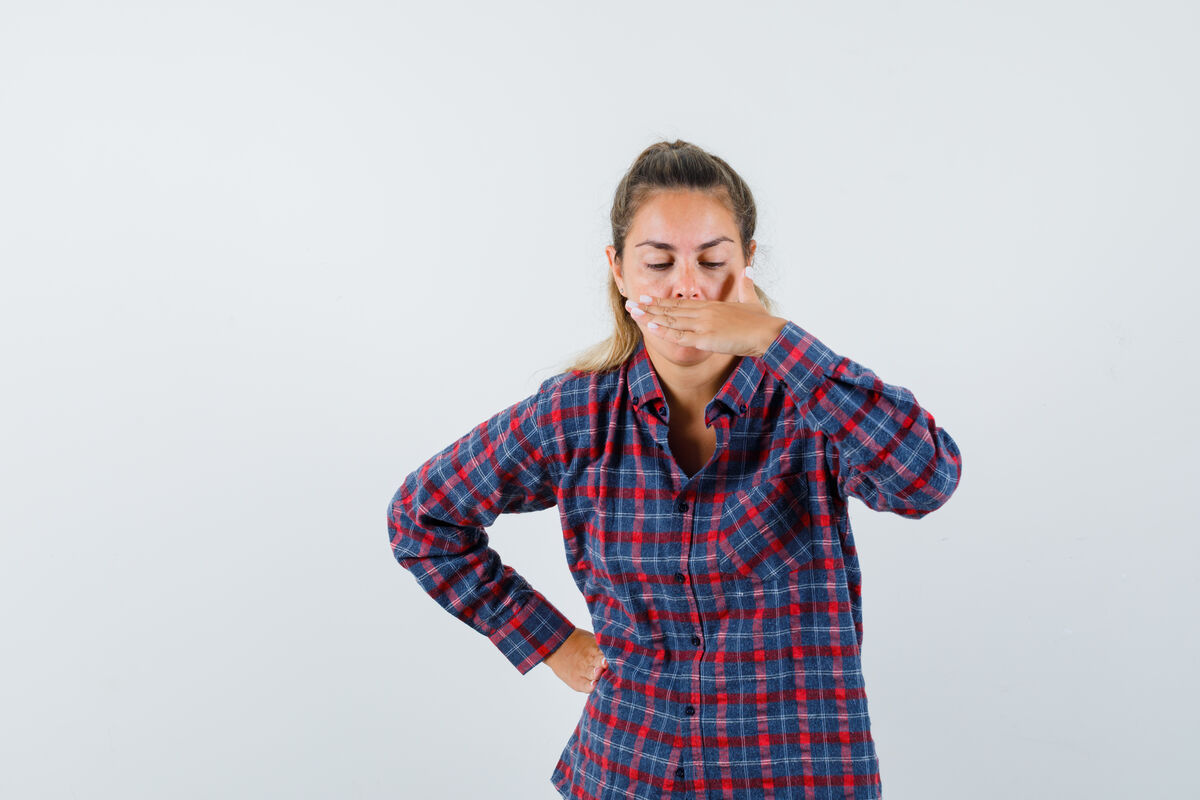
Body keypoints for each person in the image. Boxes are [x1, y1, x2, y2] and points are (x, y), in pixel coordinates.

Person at [387, 139, 963, 800]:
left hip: (798, 775)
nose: (686, 286)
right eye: (658, 262)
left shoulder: (813, 403)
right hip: (632, 774)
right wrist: (551, 643)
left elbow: (927, 482)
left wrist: (774, 338)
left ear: (746, 264)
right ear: (618, 271)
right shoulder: (575, 413)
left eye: (712, 261)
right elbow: (421, 518)